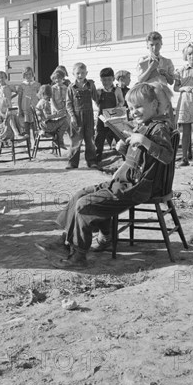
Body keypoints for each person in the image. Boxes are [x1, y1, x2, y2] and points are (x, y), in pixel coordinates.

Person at [54, 83, 174, 267]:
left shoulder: (159, 129)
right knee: (80, 194)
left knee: (85, 204)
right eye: (132, 108)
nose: (134, 112)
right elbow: (142, 160)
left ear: (154, 105)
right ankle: (69, 239)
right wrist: (124, 149)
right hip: (124, 181)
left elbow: (166, 157)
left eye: (139, 107)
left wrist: (143, 141)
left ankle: (78, 255)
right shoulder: (144, 126)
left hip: (136, 188)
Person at [174, 43, 193, 166]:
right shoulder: (181, 71)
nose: (192, 56)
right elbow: (176, 87)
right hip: (185, 102)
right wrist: (184, 88)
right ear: (186, 56)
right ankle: (185, 157)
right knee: (185, 132)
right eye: (189, 54)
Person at [65, 62, 99, 170]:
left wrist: (101, 109)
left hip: (89, 115)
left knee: (90, 139)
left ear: (86, 73)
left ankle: (92, 161)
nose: (80, 75)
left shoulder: (90, 85)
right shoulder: (71, 87)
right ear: (73, 74)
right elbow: (68, 103)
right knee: (76, 140)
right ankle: (72, 162)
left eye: (83, 73)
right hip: (76, 116)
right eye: (78, 73)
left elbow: (96, 98)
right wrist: (72, 116)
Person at [95, 67, 125, 162]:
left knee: (118, 136)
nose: (107, 82)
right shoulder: (99, 91)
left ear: (113, 79)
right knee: (99, 137)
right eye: (104, 80)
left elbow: (122, 101)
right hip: (102, 116)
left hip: (114, 116)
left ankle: (125, 157)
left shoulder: (117, 90)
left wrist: (118, 106)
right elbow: (97, 103)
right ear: (100, 80)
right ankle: (97, 158)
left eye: (109, 79)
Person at [35, 84, 68, 149]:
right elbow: (47, 116)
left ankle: (57, 139)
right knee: (65, 121)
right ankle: (58, 139)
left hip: (42, 124)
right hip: (47, 125)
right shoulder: (45, 103)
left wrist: (56, 114)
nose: (50, 97)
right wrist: (58, 115)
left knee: (63, 120)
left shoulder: (41, 101)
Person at [17, 66, 41, 142]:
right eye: (26, 74)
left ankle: (36, 142)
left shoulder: (37, 84)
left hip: (34, 107)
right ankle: (28, 143)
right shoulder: (22, 85)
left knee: (35, 125)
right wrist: (20, 109)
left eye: (30, 74)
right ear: (24, 75)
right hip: (25, 107)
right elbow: (19, 98)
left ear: (32, 74)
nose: (28, 76)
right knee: (26, 125)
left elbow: (40, 97)